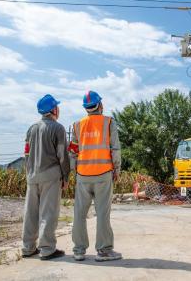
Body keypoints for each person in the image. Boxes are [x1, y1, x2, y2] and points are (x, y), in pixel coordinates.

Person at [69, 90, 122, 262]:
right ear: (100, 105)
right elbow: (115, 149)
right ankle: (104, 251)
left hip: (83, 176)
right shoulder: (109, 122)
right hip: (103, 174)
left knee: (79, 214)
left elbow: (73, 152)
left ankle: (78, 250)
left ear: (86, 108)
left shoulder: (77, 125)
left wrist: (74, 172)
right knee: (102, 214)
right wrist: (117, 170)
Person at [22, 94, 70, 260]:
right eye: (57, 106)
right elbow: (62, 155)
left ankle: (28, 248)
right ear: (53, 109)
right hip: (51, 176)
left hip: (32, 176)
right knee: (48, 213)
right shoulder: (58, 128)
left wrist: (29, 173)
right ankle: (47, 249)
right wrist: (66, 177)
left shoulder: (31, 128)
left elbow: (26, 154)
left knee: (30, 213)